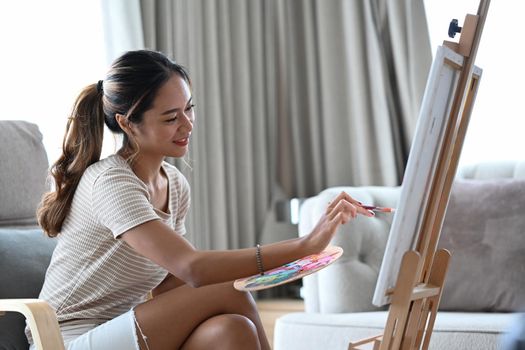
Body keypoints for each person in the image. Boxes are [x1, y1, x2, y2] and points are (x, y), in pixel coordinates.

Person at [27, 49, 374, 350]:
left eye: (189, 109)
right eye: (170, 117)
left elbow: (169, 284)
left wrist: (286, 265)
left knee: (232, 329)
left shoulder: (174, 185)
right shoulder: (110, 182)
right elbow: (192, 268)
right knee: (230, 292)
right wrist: (304, 245)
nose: (187, 124)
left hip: (125, 330)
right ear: (128, 124)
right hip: (66, 338)